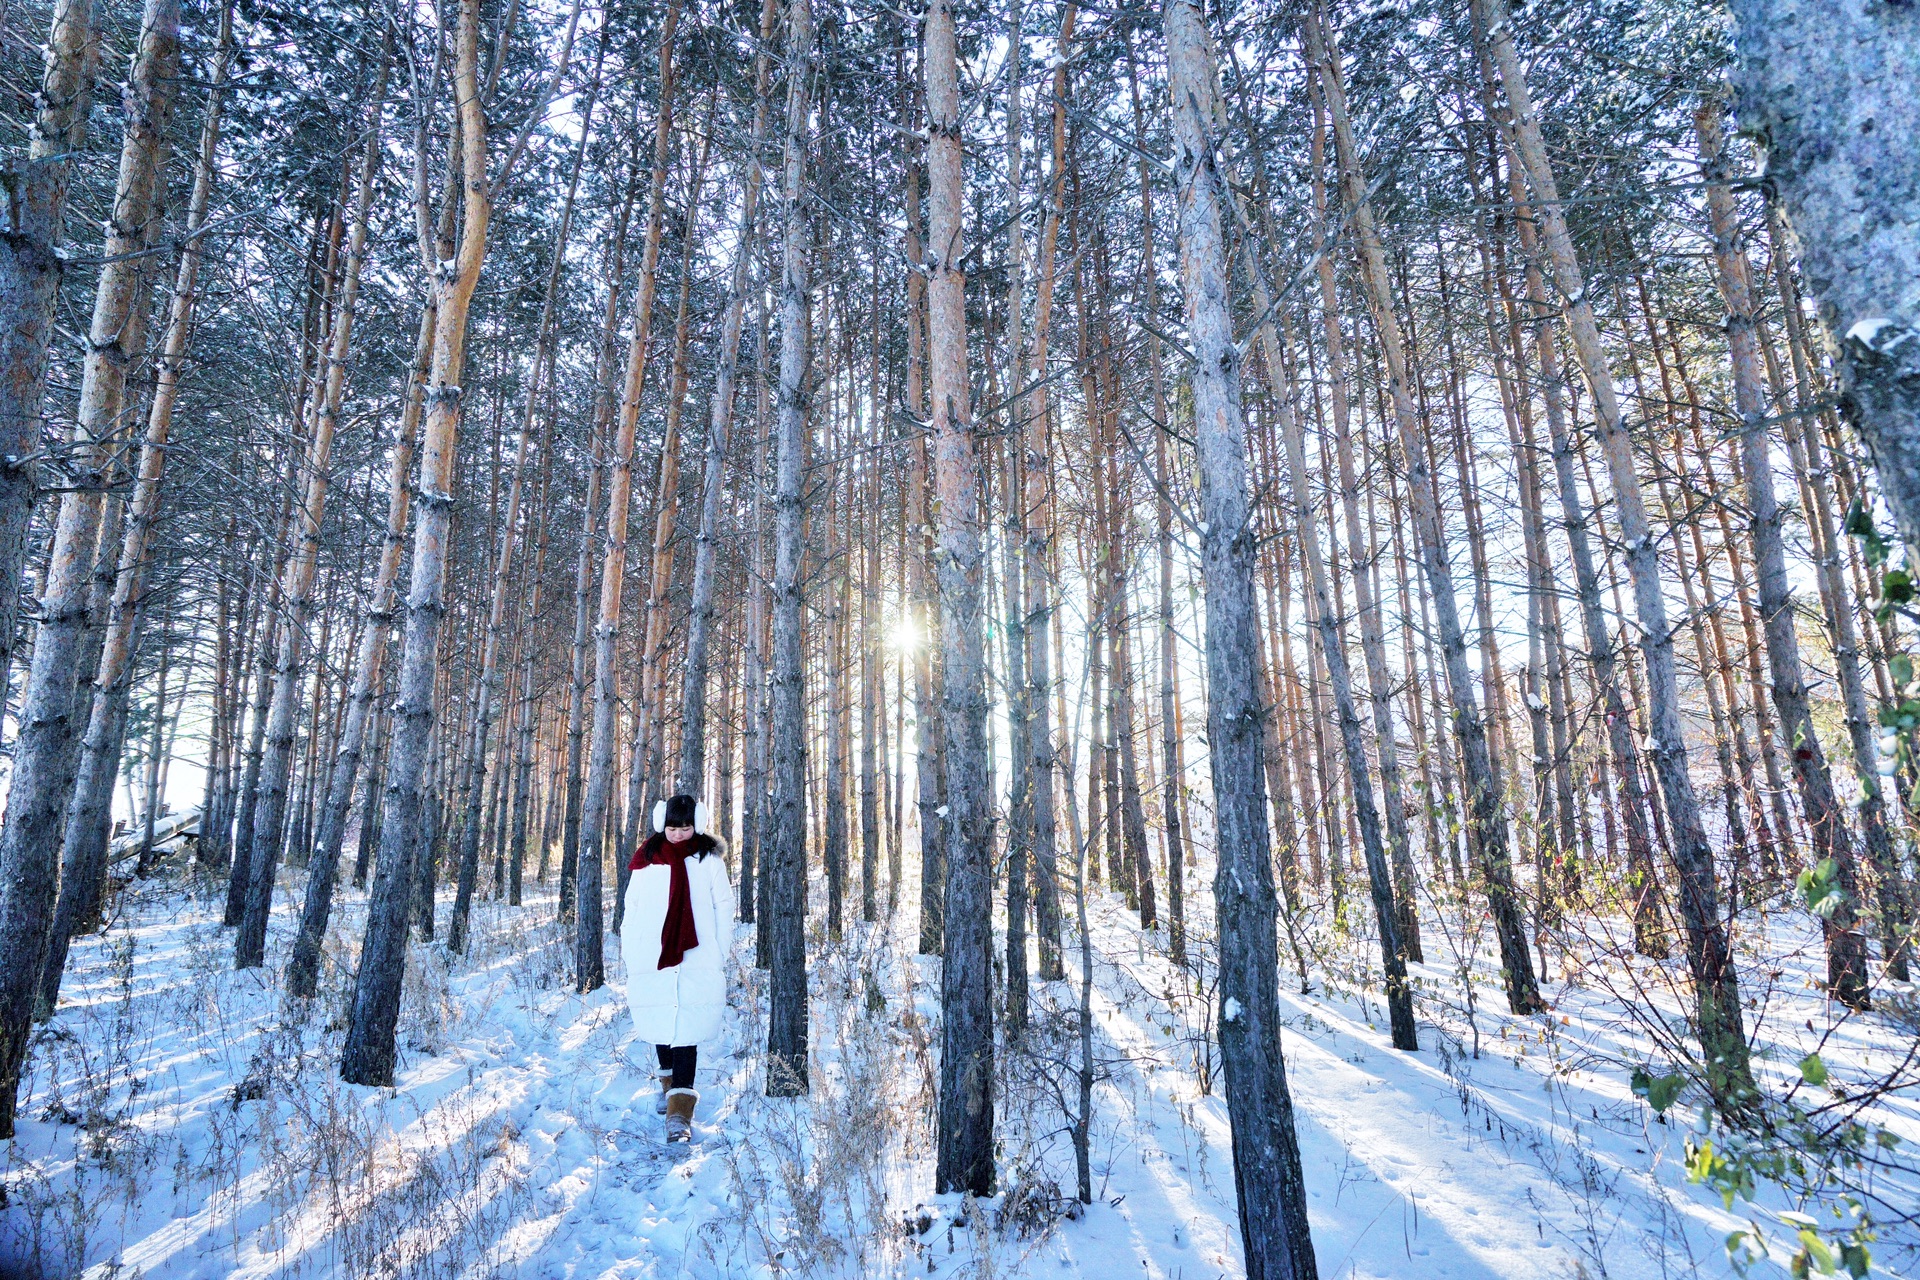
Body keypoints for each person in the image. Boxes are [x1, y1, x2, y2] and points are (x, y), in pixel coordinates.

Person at [620, 792, 733, 1142]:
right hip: (652, 954)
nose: (679, 834)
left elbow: (723, 907)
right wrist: (630, 949)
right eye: (672, 827)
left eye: (685, 828)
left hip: (698, 954)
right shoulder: (648, 859)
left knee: (687, 1029)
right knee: (661, 1022)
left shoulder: (709, 860)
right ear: (661, 824)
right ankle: (668, 1085)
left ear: (697, 824)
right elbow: (632, 907)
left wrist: (719, 952)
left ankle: (679, 1113)